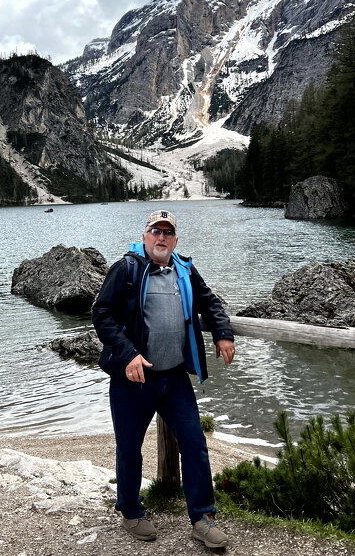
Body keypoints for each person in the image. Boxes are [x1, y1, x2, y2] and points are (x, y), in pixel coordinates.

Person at [92, 209, 235, 549]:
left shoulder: (184, 268)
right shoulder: (126, 269)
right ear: (144, 237)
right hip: (133, 380)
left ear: (175, 240)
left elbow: (209, 302)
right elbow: (102, 314)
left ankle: (202, 518)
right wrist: (128, 354)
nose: (161, 238)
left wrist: (223, 333)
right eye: (155, 231)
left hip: (174, 379)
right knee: (129, 449)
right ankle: (130, 511)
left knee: (195, 446)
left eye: (167, 233)